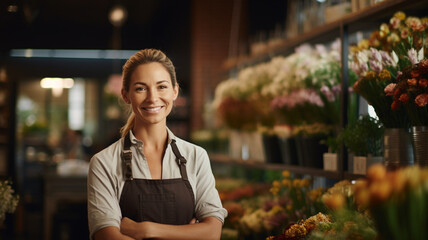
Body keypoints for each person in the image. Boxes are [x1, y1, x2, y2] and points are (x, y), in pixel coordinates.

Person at [87, 48, 227, 240]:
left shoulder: (196, 156)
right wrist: (188, 234)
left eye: (161, 87)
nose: (152, 98)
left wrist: (146, 230)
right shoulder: (104, 163)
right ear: (126, 95)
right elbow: (107, 236)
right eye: (140, 88)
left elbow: (212, 233)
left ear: (175, 92)